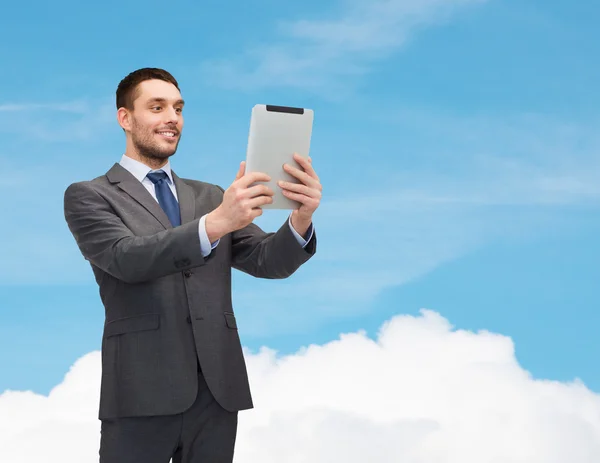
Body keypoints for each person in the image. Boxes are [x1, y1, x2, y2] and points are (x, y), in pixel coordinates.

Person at [63, 67, 320, 463]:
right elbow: (126, 258)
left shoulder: (211, 196)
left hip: (217, 394)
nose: (172, 118)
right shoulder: (90, 195)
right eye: (157, 107)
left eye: (179, 109)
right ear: (125, 118)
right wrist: (218, 223)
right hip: (140, 392)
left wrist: (300, 217)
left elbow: (269, 261)